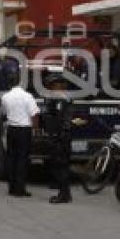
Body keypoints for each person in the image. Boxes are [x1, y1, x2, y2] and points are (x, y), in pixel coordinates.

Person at [0, 73, 40, 197]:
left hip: (11, 130)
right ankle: (20, 188)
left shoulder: (5, 97)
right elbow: (34, 114)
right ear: (21, 83)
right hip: (24, 130)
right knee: (22, 159)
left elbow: (4, 113)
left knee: (11, 158)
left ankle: (11, 187)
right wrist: (35, 129)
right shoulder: (28, 96)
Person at [45, 75, 74, 204]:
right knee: (61, 166)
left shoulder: (60, 100)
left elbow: (60, 120)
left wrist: (58, 136)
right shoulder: (61, 98)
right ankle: (65, 193)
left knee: (60, 166)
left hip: (60, 137)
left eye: (52, 85)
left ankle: (63, 195)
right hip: (60, 135)